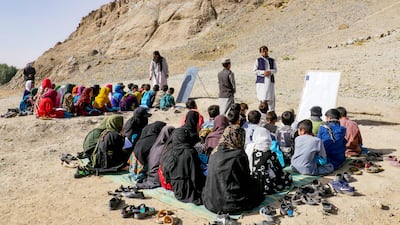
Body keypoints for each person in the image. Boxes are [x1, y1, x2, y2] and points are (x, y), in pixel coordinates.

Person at [202, 110, 263, 213]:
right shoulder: (238, 154)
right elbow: (245, 178)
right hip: (229, 202)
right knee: (257, 185)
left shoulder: (215, 151)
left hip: (211, 199)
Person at [162, 111, 205, 205]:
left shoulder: (171, 152)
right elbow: (195, 177)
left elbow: (166, 173)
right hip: (188, 192)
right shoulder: (190, 152)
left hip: (176, 189)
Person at [245, 127, 292, 194]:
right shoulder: (270, 153)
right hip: (266, 183)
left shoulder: (251, 150)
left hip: (253, 180)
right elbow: (278, 169)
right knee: (287, 176)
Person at [253, 45, 277, 112]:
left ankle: (271, 113)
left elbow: (275, 70)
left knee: (271, 98)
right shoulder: (258, 60)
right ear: (260, 53)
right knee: (262, 98)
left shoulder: (272, 60)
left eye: (265, 51)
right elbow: (255, 71)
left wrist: (270, 72)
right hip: (261, 83)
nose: (264, 53)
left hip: (270, 82)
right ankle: (262, 113)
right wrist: (263, 72)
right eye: (263, 52)